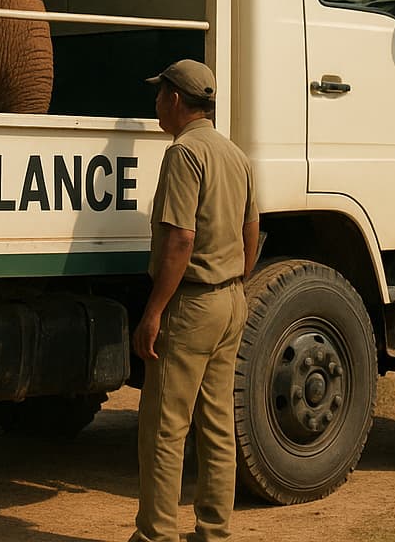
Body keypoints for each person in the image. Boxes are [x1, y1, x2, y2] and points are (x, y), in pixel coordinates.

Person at [129, 59, 259, 542]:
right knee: (218, 426)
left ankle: (157, 535)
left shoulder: (184, 154)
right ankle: (214, 531)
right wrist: (237, 280)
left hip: (193, 305)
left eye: (159, 95)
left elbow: (180, 239)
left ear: (175, 99)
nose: (156, 104)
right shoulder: (234, 154)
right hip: (230, 300)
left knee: (165, 429)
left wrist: (154, 311)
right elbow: (252, 228)